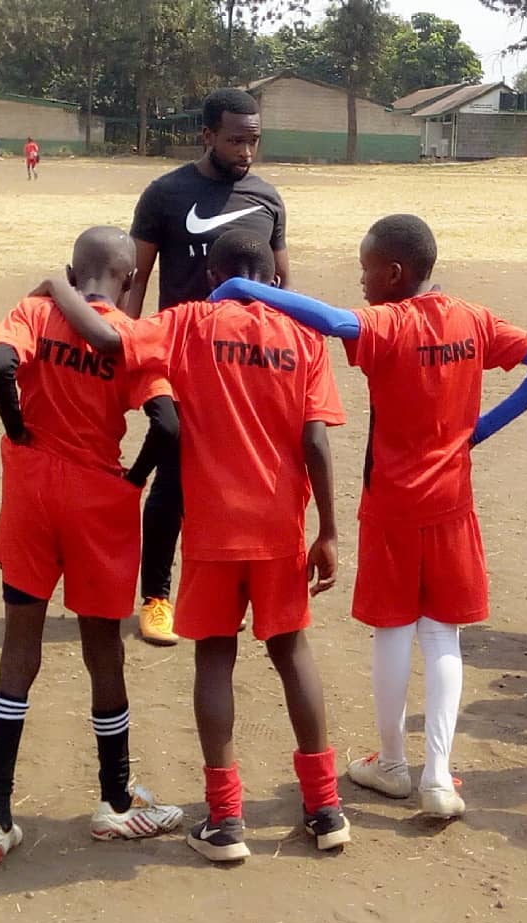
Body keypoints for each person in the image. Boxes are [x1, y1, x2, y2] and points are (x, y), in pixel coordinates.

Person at [211, 213, 527, 817]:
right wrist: (478, 431)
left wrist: (244, 288)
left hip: (392, 505)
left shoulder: (389, 324)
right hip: (453, 502)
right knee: (442, 636)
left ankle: (392, 765)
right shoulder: (473, 319)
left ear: (394, 272)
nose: (360, 279)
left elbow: (331, 322)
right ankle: (438, 777)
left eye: (366, 268)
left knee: (393, 633)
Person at [36, 229, 349, 862]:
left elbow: (106, 337)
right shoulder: (304, 337)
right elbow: (317, 440)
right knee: (293, 654)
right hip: (280, 528)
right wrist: (329, 530)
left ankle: (227, 819)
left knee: (215, 659)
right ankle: (325, 808)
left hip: (212, 532)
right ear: (277, 280)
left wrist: (58, 288)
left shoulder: (189, 324)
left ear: (212, 277)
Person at [0, 226, 183, 866]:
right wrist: (135, 480)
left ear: (71, 268)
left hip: (32, 494)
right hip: (99, 504)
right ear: (128, 283)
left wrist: (20, 434)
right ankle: (114, 805)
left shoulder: (36, 311)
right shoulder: (133, 338)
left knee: (18, 653)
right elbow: (168, 426)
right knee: (103, 654)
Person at [127, 87, 291, 646]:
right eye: (235, 139)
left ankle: (223, 590)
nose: (246, 150)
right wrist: (128, 347)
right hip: (180, 356)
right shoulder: (166, 194)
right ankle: (155, 598)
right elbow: (137, 278)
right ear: (206, 136)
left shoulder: (267, 199)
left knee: (234, 478)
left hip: (245, 365)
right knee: (173, 476)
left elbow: (283, 286)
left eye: (254, 140)